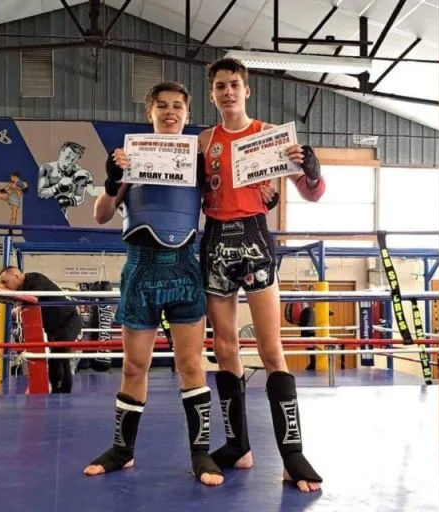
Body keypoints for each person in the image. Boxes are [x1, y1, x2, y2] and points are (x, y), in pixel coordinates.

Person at [82, 81, 277, 486]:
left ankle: (201, 453)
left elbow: (236, 192)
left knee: (191, 364)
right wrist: (112, 180)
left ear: (187, 115)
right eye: (162, 106)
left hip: (185, 267)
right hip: (141, 268)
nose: (170, 112)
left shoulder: (201, 161)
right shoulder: (129, 156)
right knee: (134, 365)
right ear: (149, 112)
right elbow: (101, 214)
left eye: (177, 107)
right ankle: (122, 450)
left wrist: (268, 191)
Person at [198, 57, 326, 493]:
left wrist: (311, 168)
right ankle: (238, 446)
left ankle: (292, 455)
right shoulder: (204, 142)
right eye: (220, 86)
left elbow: (311, 193)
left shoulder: (269, 136)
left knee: (272, 349)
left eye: (234, 84)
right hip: (215, 241)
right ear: (212, 94)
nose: (228, 92)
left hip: (255, 239)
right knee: (225, 347)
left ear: (246, 90)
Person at [0, 266, 83, 393]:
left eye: (6, 282)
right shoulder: (25, 286)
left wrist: (14, 302)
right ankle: (63, 394)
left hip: (69, 320)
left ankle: (56, 392)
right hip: (55, 325)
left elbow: (32, 300)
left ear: (16, 276)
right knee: (63, 360)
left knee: (56, 359)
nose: (5, 286)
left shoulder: (35, 280)